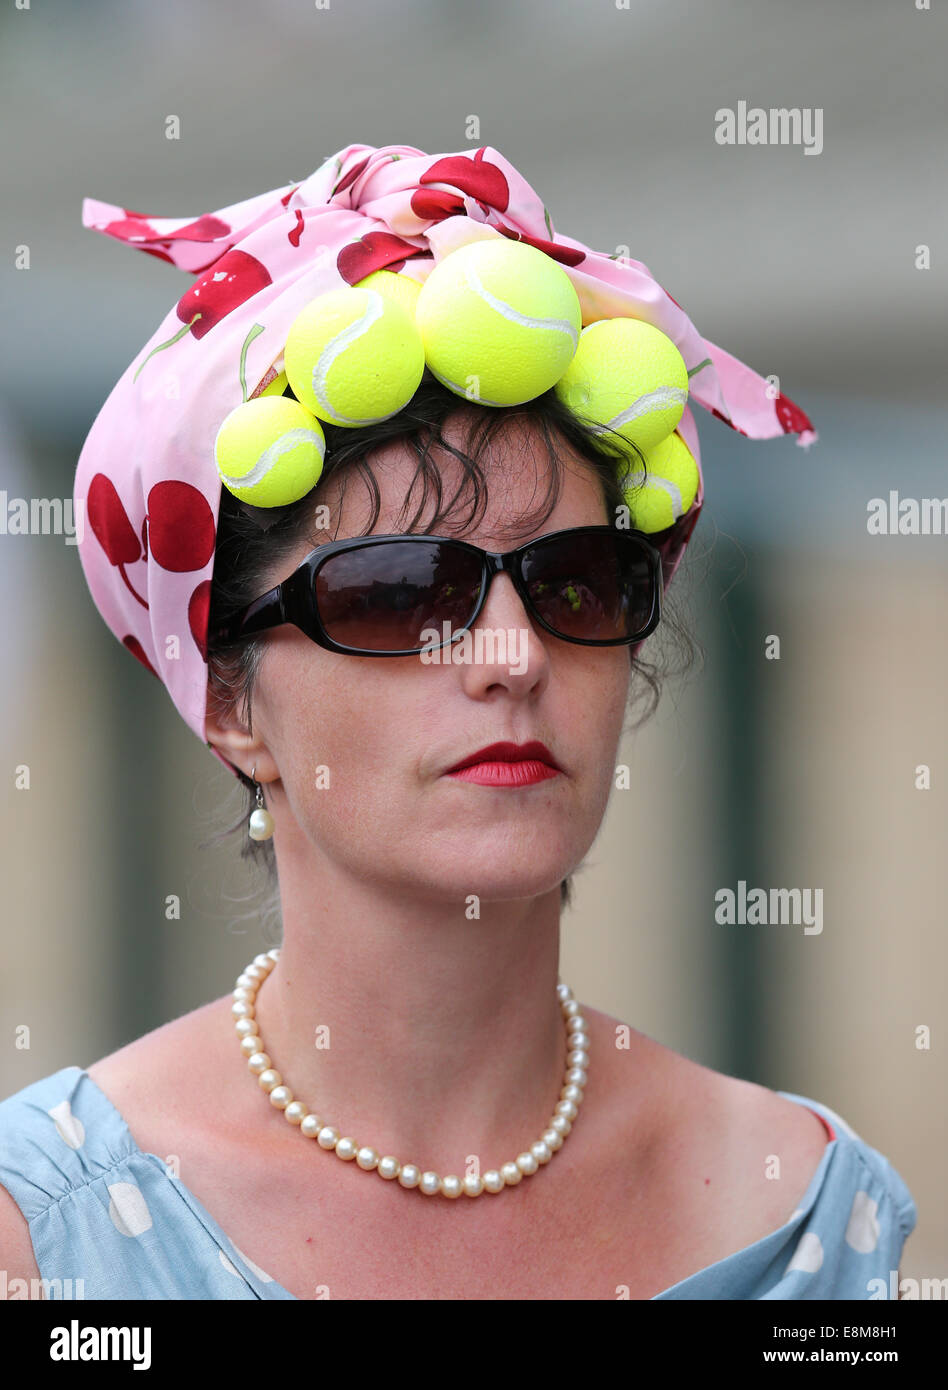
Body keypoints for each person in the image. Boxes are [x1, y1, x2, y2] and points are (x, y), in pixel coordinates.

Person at [0, 143, 915, 1300]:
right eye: (401, 593)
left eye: (576, 582)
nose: (513, 656)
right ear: (232, 702)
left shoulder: (808, 1216)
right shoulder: (46, 1243)